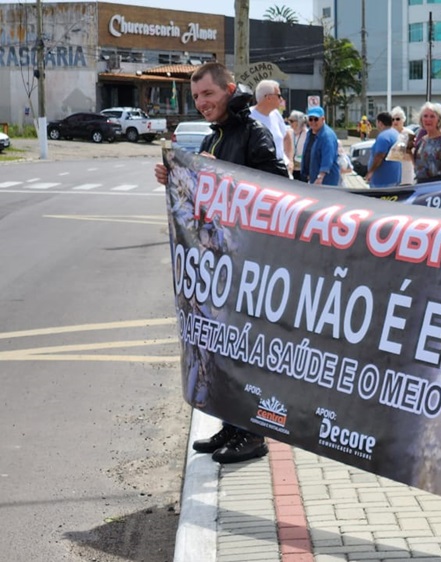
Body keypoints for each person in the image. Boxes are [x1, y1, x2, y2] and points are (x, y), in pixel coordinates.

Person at [154, 61, 287, 464]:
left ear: (229, 89)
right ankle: (232, 424)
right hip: (221, 262)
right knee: (223, 348)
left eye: (208, 94)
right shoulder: (216, 137)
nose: (202, 103)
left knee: (245, 350)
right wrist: (173, 176)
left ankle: (253, 435)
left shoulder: (252, 133)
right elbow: (204, 190)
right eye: (196, 97)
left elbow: (279, 185)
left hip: (249, 262)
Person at [249, 79, 293, 177]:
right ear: (268, 98)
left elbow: (287, 137)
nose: (281, 99)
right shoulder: (248, 117)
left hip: (283, 171)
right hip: (261, 175)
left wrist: (290, 160)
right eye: (279, 96)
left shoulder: (276, 114)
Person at [411, 102, 441, 183]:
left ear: (439, 120)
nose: (428, 120)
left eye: (432, 116)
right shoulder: (421, 141)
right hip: (421, 186)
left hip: (439, 187)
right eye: (425, 116)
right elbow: (418, 166)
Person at [302, 106, 341, 186]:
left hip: (325, 181)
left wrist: (320, 177)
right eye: (310, 119)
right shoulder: (310, 133)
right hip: (313, 178)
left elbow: (327, 159)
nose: (313, 122)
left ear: (323, 119)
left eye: (316, 119)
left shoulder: (327, 136)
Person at [365, 112, 402, 188]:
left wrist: (370, 172)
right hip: (395, 177)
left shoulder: (383, 136)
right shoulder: (396, 134)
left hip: (382, 180)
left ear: (380, 122)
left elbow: (379, 156)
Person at [390, 106, 415, 185]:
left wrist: (396, 154)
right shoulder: (389, 134)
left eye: (397, 119)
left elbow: (412, 155)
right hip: (392, 175)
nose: (395, 121)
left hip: (406, 175)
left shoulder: (409, 134)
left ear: (403, 120)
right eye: (392, 119)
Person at [287, 110, 309, 181]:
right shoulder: (289, 132)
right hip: (292, 168)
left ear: (299, 121)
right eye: (289, 120)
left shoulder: (307, 134)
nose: (289, 123)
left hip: (304, 168)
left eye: (292, 121)